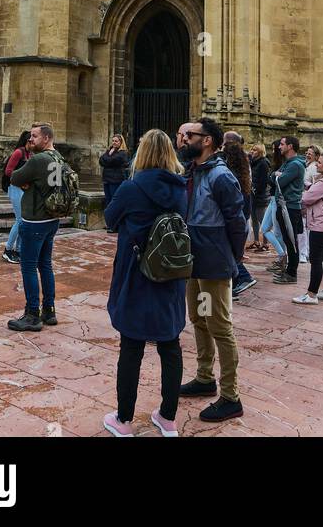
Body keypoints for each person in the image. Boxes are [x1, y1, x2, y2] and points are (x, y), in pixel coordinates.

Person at [103, 129, 188, 438]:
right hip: (170, 274)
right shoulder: (180, 188)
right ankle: (167, 418)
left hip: (136, 273)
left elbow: (110, 219)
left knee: (132, 346)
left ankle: (124, 420)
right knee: (170, 344)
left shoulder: (131, 187)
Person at [179, 118, 246, 423]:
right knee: (199, 318)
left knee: (219, 325)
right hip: (196, 263)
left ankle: (231, 396)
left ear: (206, 141)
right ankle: (205, 377)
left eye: (188, 135)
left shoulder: (220, 176)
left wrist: (230, 258)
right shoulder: (193, 171)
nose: (182, 140)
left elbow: (237, 222)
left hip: (214, 264)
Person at [7, 122, 64, 332]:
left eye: (34, 136)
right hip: (51, 218)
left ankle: (32, 314)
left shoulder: (39, 159)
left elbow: (14, 177)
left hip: (35, 220)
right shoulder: (57, 158)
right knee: (45, 264)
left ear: (46, 138)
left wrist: (28, 179)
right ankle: (49, 309)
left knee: (29, 266)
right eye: (30, 136)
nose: (30, 140)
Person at [293, 151, 323, 305]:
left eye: (320, 163)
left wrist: (307, 188)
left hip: (321, 225)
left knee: (315, 260)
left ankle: (311, 294)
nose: (317, 164)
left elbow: (306, 198)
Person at [222, 138, 256, 298]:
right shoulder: (242, 175)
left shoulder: (230, 176)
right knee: (232, 253)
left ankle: (243, 278)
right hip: (241, 220)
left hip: (237, 221)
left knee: (230, 254)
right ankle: (235, 287)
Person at [272, 136, 306, 285]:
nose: (279, 146)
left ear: (290, 146)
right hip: (283, 205)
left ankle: (292, 273)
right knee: (287, 239)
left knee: (291, 242)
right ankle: (289, 270)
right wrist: (276, 176)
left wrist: (277, 176)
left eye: (282, 144)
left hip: (290, 207)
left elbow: (279, 180)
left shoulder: (295, 165)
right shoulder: (288, 163)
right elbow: (272, 177)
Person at [2, 131, 32, 264]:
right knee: (20, 220)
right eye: (31, 141)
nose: (33, 143)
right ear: (27, 141)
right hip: (14, 188)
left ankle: (18, 250)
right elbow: (8, 171)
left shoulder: (28, 154)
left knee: (24, 221)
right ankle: (7, 250)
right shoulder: (19, 152)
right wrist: (22, 181)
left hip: (21, 189)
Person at [264, 140, 288, 270]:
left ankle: (282, 258)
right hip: (272, 199)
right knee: (265, 228)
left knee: (278, 232)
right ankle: (282, 254)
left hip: (277, 199)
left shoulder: (283, 164)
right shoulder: (276, 164)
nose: (273, 151)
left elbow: (273, 181)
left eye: (275, 149)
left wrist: (272, 176)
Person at [298, 145, 323, 265]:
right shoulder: (307, 165)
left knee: (304, 227)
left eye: (310, 153)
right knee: (306, 227)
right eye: (307, 153)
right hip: (306, 198)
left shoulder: (314, 168)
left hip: (307, 198)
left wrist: (304, 184)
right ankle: (306, 251)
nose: (307, 155)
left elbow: (315, 184)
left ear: (316, 156)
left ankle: (304, 253)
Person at [100, 134, 131, 226]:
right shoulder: (109, 151)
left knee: (114, 202)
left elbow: (111, 160)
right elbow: (101, 160)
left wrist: (108, 158)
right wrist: (108, 158)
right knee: (108, 201)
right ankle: (110, 223)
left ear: (121, 142)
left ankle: (115, 224)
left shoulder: (123, 153)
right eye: (113, 140)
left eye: (116, 141)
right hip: (107, 179)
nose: (114, 143)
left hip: (116, 180)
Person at [248, 142, 271, 251]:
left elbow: (263, 181)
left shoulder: (263, 163)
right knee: (254, 219)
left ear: (261, 152)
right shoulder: (253, 162)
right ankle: (256, 241)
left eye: (255, 150)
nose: (252, 151)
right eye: (252, 149)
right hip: (253, 194)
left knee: (263, 220)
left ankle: (265, 244)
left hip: (260, 196)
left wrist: (256, 190)